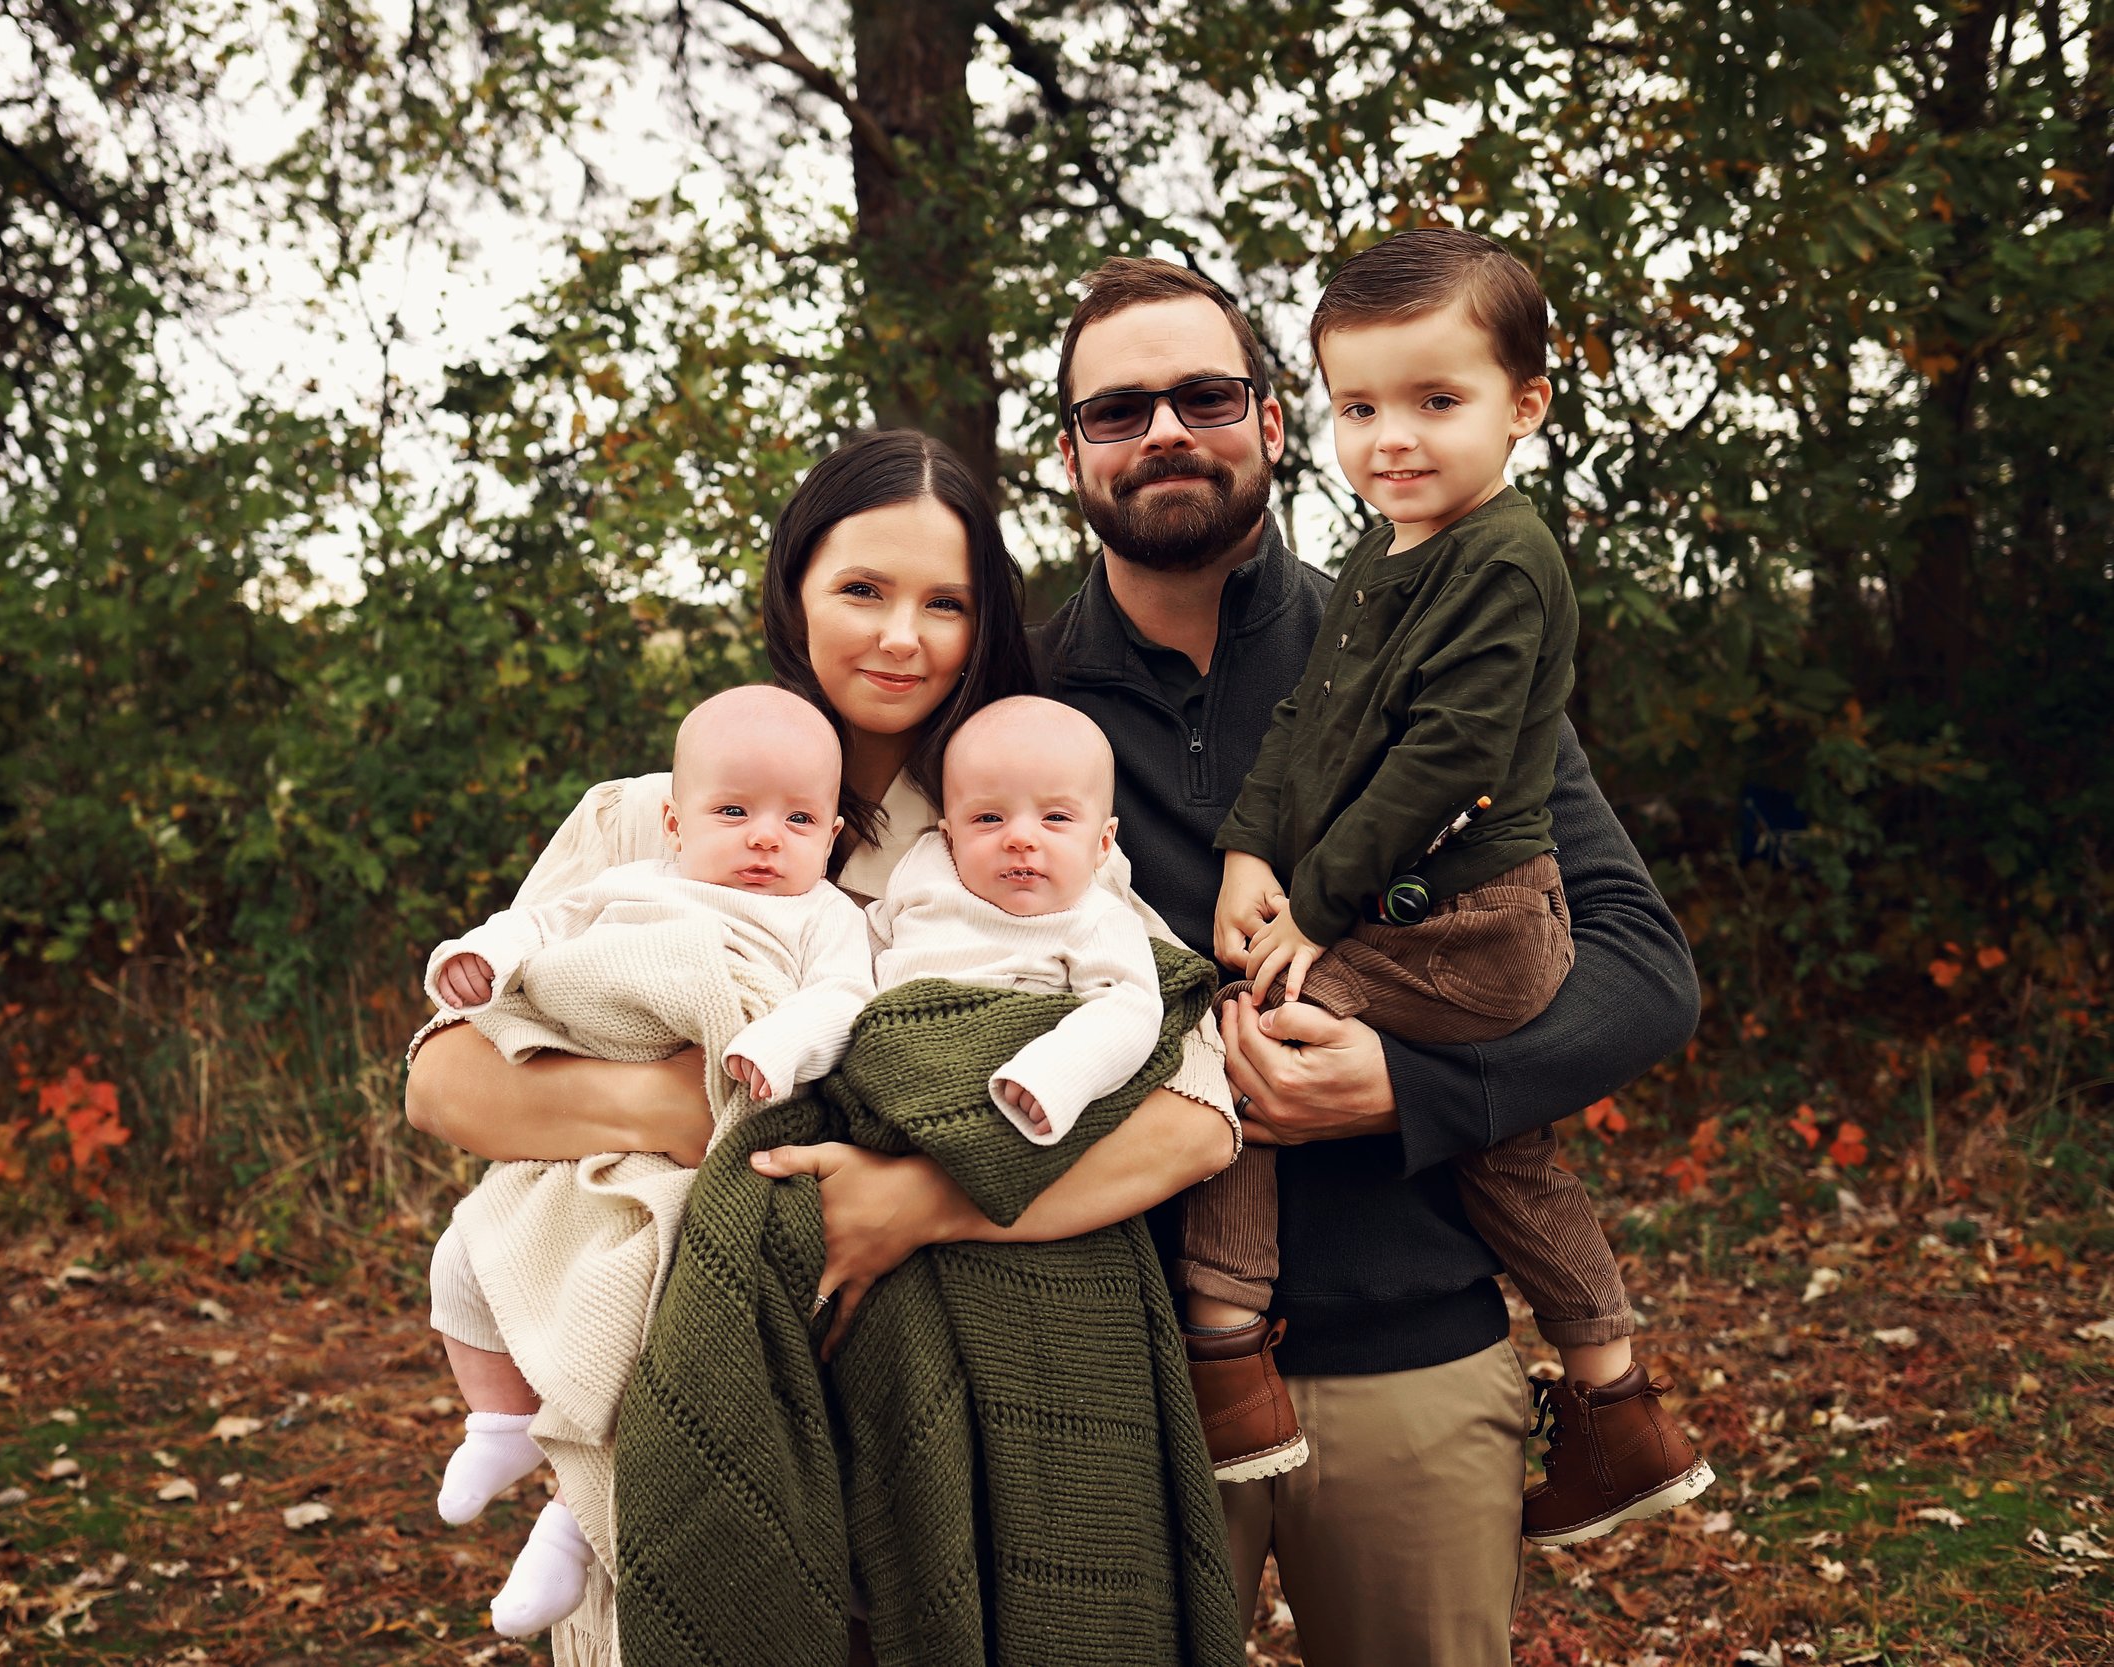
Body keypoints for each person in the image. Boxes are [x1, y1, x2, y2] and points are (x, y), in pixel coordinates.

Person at [403, 428, 1241, 1667]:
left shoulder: (1013, 825)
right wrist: (698, 1113)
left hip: (955, 1426)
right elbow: (446, 1076)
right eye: (861, 589)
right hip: (689, 1394)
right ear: (795, 591)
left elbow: (1196, 1107)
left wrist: (921, 1200)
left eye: (944, 603)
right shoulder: (651, 813)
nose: (901, 636)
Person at [1033, 254, 1700, 1665]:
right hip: (1120, 1374)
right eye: (1118, 408)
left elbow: (1644, 964)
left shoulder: (1430, 634)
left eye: (1205, 394)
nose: (1165, 430)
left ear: (1273, 423)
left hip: (1417, 1348)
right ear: (1070, 450)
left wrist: (1413, 1085)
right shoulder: (1012, 711)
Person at [1184, 228, 1714, 1546]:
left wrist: (1307, 911)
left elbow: (1446, 762)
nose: (1392, 440)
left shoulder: (1505, 559)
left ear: (1525, 403)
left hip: (1476, 923)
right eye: (1359, 407)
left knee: (1244, 1033)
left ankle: (1225, 1346)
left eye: (1437, 400)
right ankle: (1617, 1398)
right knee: (1508, 1147)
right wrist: (1253, 846)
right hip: (1432, 922)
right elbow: (1311, 720)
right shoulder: (1392, 548)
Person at [420, 685, 874, 1638]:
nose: (765, 839)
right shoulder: (636, 886)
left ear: (832, 835)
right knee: (466, 1252)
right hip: (583, 1135)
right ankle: (497, 1419)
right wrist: (480, 959)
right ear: (674, 822)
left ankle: (574, 1518)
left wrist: (778, 1042)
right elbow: (538, 932)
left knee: (635, 1319)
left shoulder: (821, 916)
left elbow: (842, 1003)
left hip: (697, 1165)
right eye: (734, 812)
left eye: (797, 820)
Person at [868, 696, 1163, 1147]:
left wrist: (1056, 1073)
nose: (1021, 838)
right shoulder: (925, 873)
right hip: (886, 1065)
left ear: (1103, 843)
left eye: (1055, 818)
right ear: (949, 838)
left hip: (1008, 1089)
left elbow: (1131, 1009)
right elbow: (866, 943)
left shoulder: (1097, 916)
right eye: (989, 818)